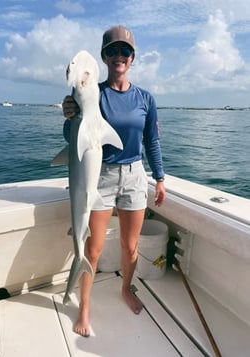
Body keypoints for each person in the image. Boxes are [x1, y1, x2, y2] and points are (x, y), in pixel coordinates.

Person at [62, 24, 166, 337]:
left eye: (125, 51)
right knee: (92, 249)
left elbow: (152, 142)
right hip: (101, 177)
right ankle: (84, 306)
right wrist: (71, 115)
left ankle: (125, 289)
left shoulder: (145, 98)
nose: (119, 56)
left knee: (129, 247)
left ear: (132, 57)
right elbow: (74, 140)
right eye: (112, 51)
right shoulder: (94, 93)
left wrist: (159, 178)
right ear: (104, 58)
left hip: (135, 176)